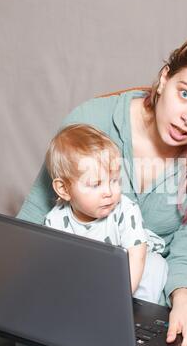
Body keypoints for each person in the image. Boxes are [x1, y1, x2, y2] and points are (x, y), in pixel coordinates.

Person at [15, 37, 187, 346]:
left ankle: (123, 342)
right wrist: (16, 290)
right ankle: (113, 342)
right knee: (28, 341)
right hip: (77, 276)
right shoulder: (91, 122)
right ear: (165, 78)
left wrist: (184, 300)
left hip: (155, 284)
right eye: (185, 94)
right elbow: (37, 213)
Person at [43, 122, 168, 301]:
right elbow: (55, 266)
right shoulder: (54, 221)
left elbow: (136, 256)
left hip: (127, 272)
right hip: (88, 276)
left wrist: (120, 300)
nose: (109, 192)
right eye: (96, 184)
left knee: (155, 265)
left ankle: (137, 309)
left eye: (115, 180)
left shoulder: (125, 210)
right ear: (64, 189)